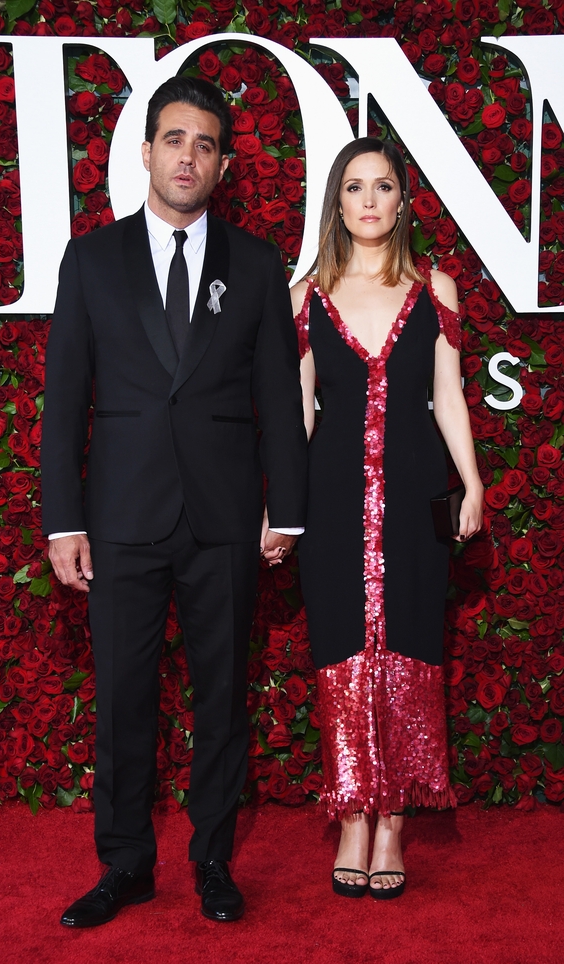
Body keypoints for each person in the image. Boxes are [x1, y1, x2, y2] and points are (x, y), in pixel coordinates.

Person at [41, 76, 308, 927]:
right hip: (120, 518)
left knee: (222, 699)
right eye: (174, 139)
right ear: (147, 151)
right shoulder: (91, 260)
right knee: (123, 700)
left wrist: (287, 510)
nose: (187, 156)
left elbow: (279, 399)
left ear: (222, 166)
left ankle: (212, 859)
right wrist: (63, 520)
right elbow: (64, 399)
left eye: (205, 144)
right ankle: (125, 864)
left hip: (224, 520)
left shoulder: (256, 264)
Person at [291, 137, 483, 900]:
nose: (368, 200)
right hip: (330, 500)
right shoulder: (305, 294)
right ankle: (351, 815)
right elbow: (298, 412)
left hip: (414, 493)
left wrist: (472, 483)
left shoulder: (436, 289)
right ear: (336, 204)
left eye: (382, 186)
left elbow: (450, 395)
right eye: (354, 187)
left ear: (403, 202)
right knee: (340, 647)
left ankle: (393, 821)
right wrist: (281, 505)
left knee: (411, 646)